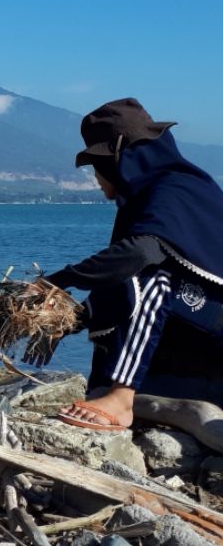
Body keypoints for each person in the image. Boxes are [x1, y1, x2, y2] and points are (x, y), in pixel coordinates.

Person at [44, 98, 223, 430]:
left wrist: (56, 280)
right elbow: (115, 285)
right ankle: (116, 392)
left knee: (149, 277)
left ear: (119, 160)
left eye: (97, 164)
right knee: (123, 282)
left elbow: (139, 257)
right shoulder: (153, 196)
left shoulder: (175, 189)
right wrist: (67, 319)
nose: (95, 176)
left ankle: (122, 397)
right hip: (201, 355)